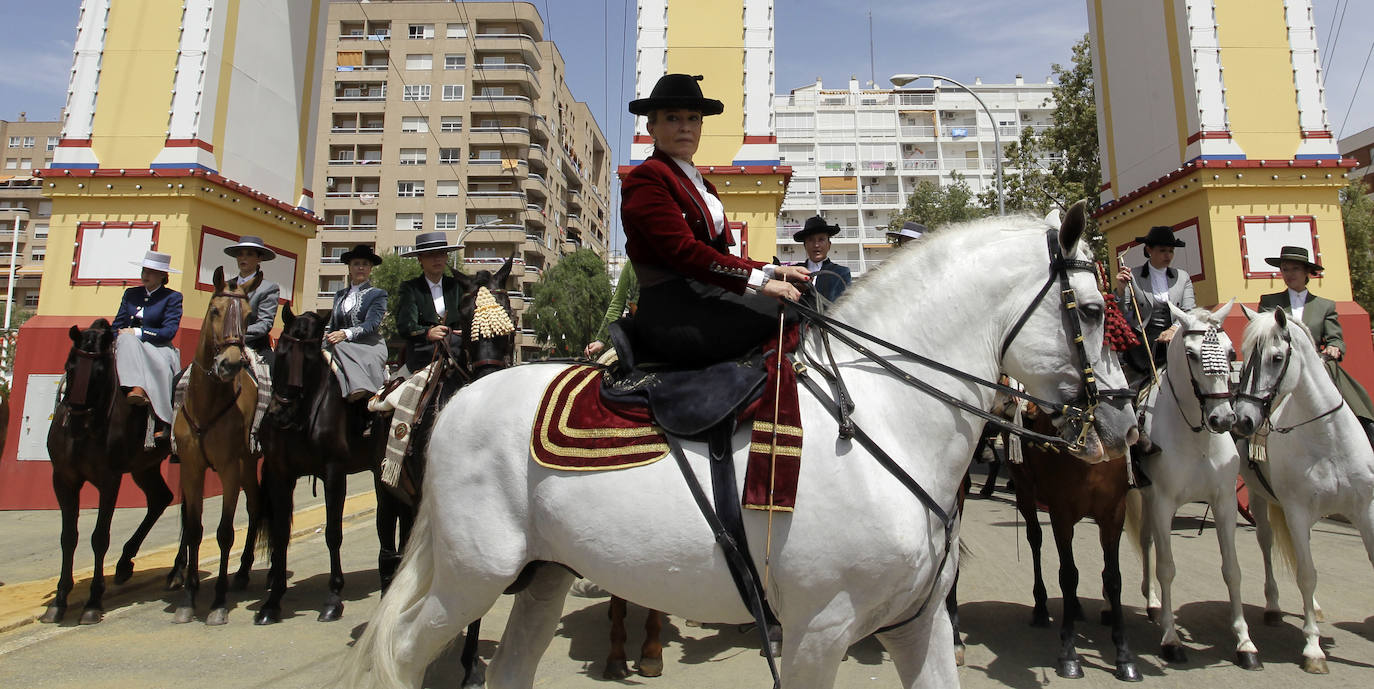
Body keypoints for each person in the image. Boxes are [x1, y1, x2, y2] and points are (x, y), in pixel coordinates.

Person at [620, 73, 809, 367]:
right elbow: (685, 252)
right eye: (672, 118)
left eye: (693, 118)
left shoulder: (704, 186)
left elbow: (719, 256)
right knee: (785, 311)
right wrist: (761, 283)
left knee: (804, 297)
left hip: (706, 298)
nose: (685, 127)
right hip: (673, 310)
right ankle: (768, 409)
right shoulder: (647, 178)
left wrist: (773, 271)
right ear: (651, 127)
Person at [1257, 245, 1374, 438]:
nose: (1289, 274)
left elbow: (1335, 336)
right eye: (1285, 269)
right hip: (1279, 364)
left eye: (1295, 269)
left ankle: (1365, 428)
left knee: (1354, 397)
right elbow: (1262, 334)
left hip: (1316, 364)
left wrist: (1335, 346)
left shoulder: (1324, 305)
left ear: (1306, 272)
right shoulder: (1269, 301)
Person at [111, 251, 183, 437]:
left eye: (151, 271)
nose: (145, 275)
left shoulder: (172, 297)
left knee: (161, 368)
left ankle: (164, 420)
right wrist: (118, 335)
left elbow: (168, 332)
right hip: (125, 344)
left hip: (158, 346)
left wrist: (137, 333)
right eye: (144, 270)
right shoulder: (131, 294)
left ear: (162, 275)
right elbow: (117, 325)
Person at [1115, 225, 1195, 373]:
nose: (1168, 255)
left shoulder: (1182, 277)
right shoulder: (1133, 276)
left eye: (1171, 251)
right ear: (1149, 250)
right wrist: (1120, 290)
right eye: (1162, 250)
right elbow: (1121, 312)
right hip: (1144, 339)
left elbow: (1189, 310)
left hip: (1175, 336)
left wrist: (1173, 329)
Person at [394, 231, 466, 374]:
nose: (437, 259)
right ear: (420, 259)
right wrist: (428, 333)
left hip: (457, 351)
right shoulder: (410, 288)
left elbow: (468, 314)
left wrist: (465, 330)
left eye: (441, 254)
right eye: (430, 255)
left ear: (446, 257)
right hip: (422, 352)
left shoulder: (457, 286)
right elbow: (405, 325)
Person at [326, 244, 388, 403]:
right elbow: (334, 324)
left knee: (338, 347)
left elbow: (372, 324)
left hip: (368, 345)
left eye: (365, 264)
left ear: (370, 269)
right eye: (356, 263)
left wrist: (345, 334)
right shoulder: (339, 295)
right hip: (338, 341)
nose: (360, 267)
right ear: (349, 268)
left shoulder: (378, 294)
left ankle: (359, 388)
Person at [583, 262, 639, 360]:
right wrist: (601, 340)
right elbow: (617, 304)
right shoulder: (631, 264)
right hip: (637, 340)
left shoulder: (673, 259)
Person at [792, 215, 851, 305]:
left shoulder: (841, 273)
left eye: (821, 239)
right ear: (805, 245)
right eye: (811, 240)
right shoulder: (794, 272)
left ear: (829, 245)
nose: (816, 245)